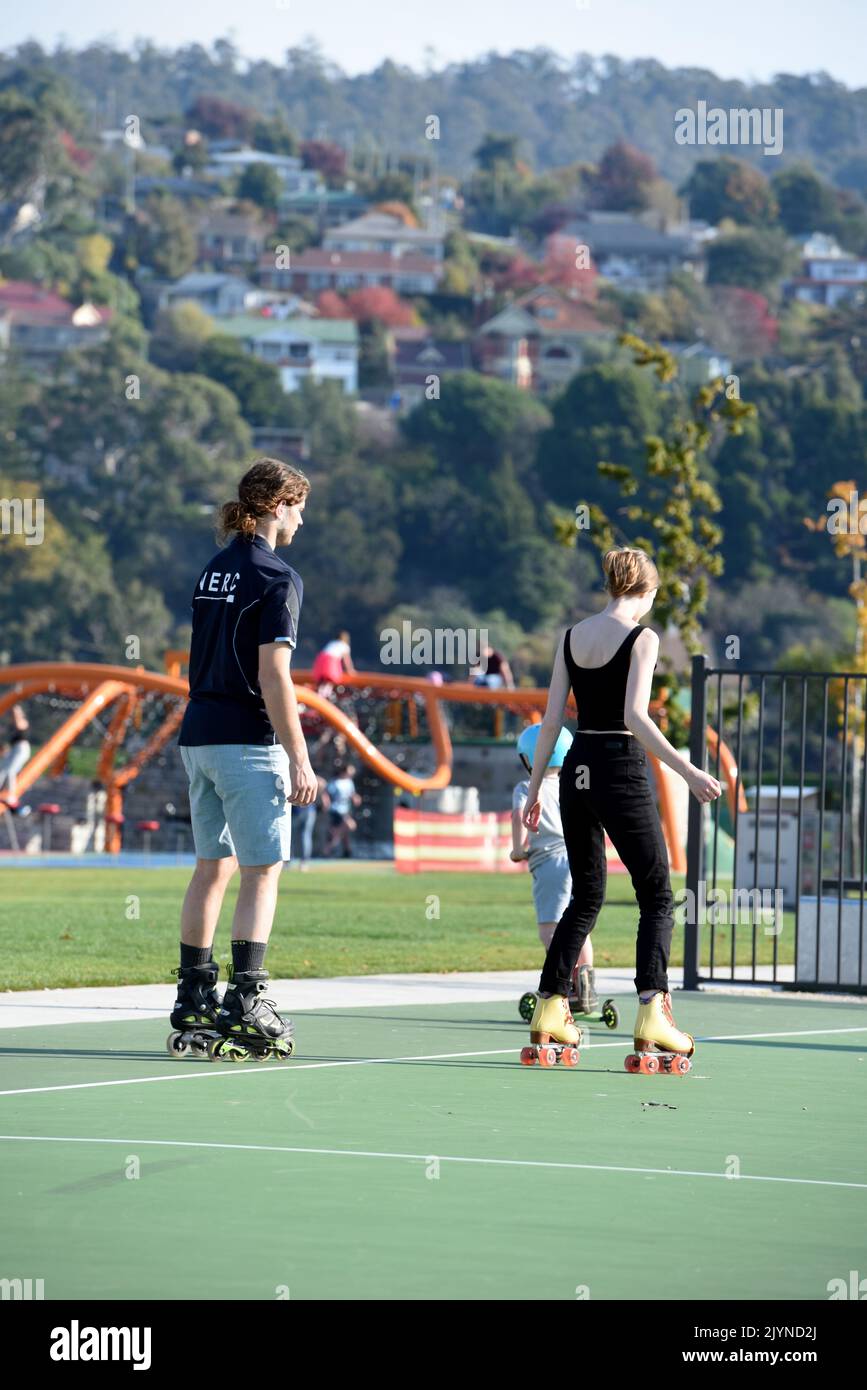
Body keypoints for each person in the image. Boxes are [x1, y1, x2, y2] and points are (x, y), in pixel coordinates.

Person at [521, 547, 721, 1066]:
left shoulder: (571, 637)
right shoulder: (643, 638)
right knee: (656, 893)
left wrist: (535, 786)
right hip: (619, 768)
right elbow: (635, 715)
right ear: (647, 593)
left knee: (586, 893)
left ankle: (550, 1005)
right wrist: (690, 770)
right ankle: (653, 1008)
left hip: (577, 766)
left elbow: (550, 720)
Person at [168, 457, 317, 1063]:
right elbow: (274, 675)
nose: (303, 520)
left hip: (197, 736)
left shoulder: (213, 569)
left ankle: (194, 996)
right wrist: (300, 758)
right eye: (300, 507)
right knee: (262, 871)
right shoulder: (278, 576)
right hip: (247, 744)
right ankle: (247, 998)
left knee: (212, 867)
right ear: (278, 505)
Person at [510, 723, 597, 1014]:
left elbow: (519, 815)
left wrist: (518, 849)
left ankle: (564, 983)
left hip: (549, 862)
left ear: (528, 758)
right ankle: (586, 987)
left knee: (549, 927)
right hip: (578, 858)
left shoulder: (526, 787)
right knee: (579, 925)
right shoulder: (573, 784)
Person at [291, 773, 329, 870]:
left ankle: (292, 861)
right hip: (305, 809)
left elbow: (322, 783)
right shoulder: (309, 776)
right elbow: (322, 783)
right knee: (302, 836)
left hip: (301, 810)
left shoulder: (298, 774)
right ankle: (302, 862)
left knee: (297, 836)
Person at [324, 763, 361, 857]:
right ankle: (330, 846)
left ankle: (345, 852)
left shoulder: (349, 782)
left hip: (346, 810)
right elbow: (327, 793)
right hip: (336, 810)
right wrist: (326, 802)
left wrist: (355, 798)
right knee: (350, 826)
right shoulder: (335, 782)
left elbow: (352, 794)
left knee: (342, 833)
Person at [0, 704, 31, 806]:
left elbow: (19, 725)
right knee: (3, 769)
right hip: (14, 748)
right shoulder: (10, 725)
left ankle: (12, 796)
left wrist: (15, 709)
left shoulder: (23, 722)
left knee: (10, 771)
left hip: (22, 748)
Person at [311, 631, 355, 695]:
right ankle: (324, 695)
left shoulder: (332, 643)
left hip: (320, 660)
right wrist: (351, 671)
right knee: (330, 680)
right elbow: (347, 661)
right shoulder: (344, 646)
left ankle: (318, 694)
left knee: (321, 681)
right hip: (331, 661)